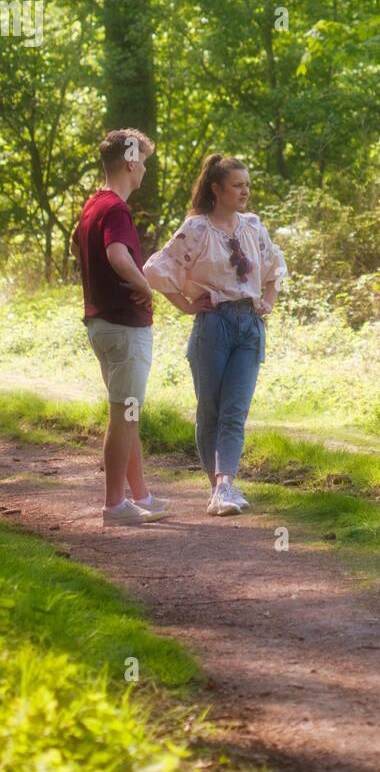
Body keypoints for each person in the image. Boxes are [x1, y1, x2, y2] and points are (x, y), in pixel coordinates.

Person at [143, 153, 287, 517]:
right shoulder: (196, 229)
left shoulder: (253, 226)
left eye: (247, 185)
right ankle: (219, 488)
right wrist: (185, 305)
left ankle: (225, 486)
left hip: (249, 327)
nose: (245, 191)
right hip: (213, 326)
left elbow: (274, 267)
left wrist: (268, 299)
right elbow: (156, 269)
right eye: (238, 185)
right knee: (211, 411)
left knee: (235, 411)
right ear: (216, 189)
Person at [73, 129, 169, 525]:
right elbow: (116, 255)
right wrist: (143, 286)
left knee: (126, 412)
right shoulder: (115, 209)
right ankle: (115, 504)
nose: (145, 168)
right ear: (130, 163)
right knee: (125, 415)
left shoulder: (92, 204)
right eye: (143, 160)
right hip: (124, 328)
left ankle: (140, 495)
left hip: (101, 325)